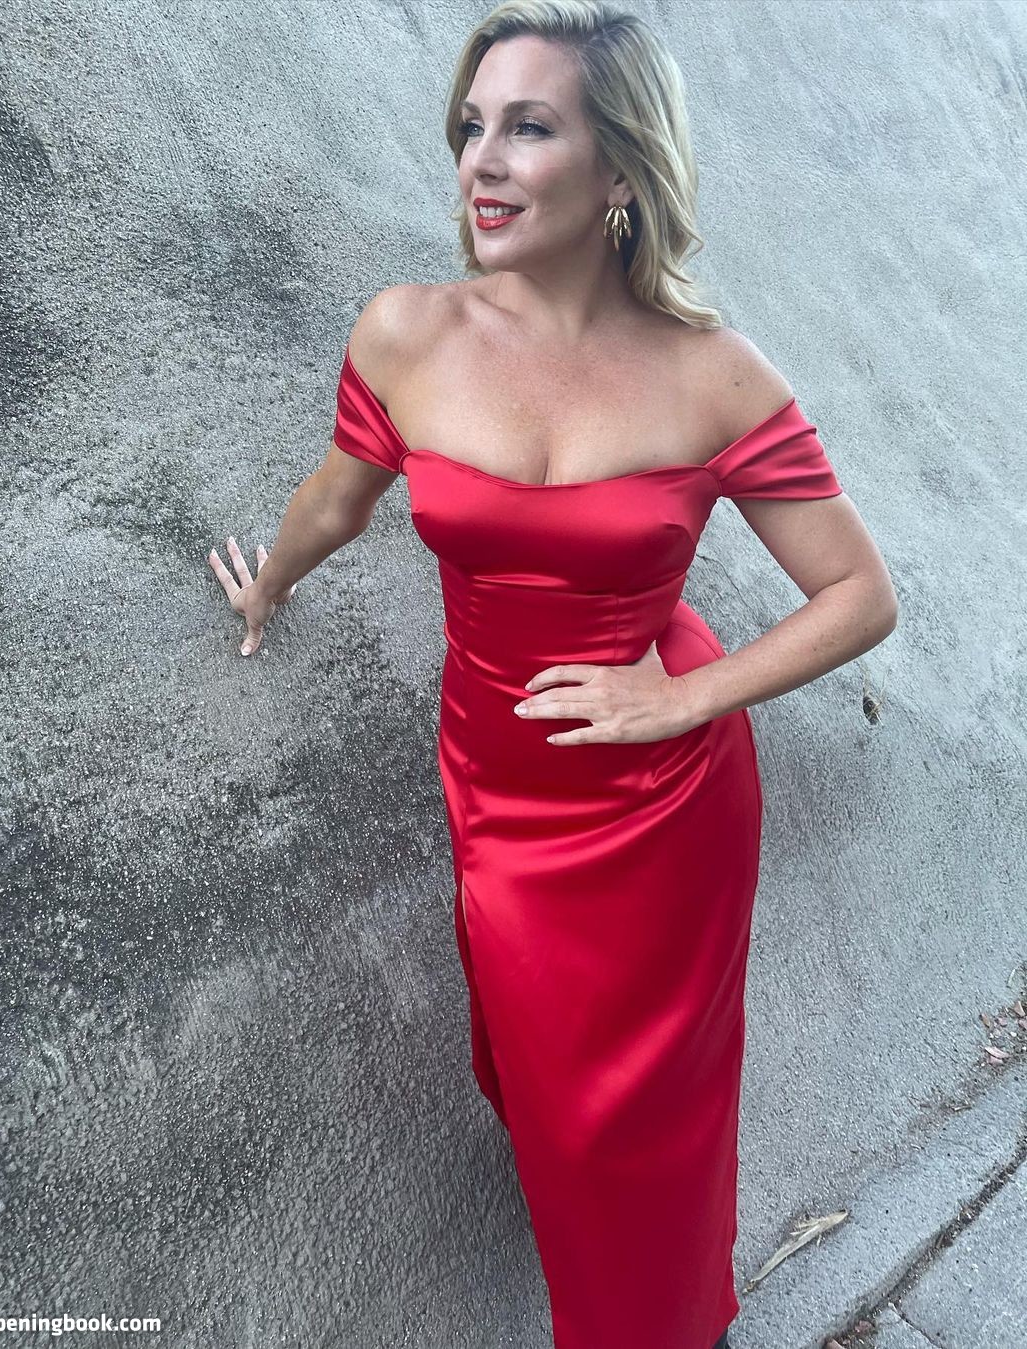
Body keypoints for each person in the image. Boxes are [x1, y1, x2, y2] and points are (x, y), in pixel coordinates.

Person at [206, 2, 898, 1345]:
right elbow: (340, 499)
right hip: (500, 778)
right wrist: (270, 583)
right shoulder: (408, 332)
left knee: (646, 1121)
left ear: (621, 167)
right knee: (545, 1072)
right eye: (471, 126)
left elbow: (861, 594)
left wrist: (683, 697)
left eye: (528, 128)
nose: (482, 160)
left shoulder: (715, 376)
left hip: (666, 804)